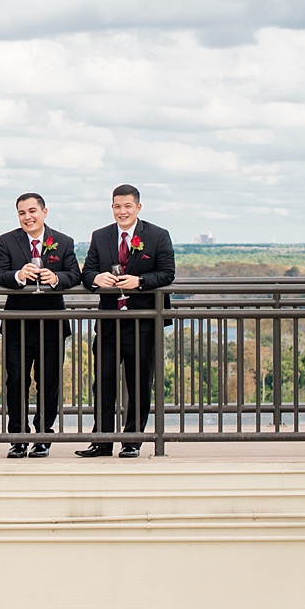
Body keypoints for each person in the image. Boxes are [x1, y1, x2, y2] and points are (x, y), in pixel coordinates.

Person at [76, 184, 176, 458]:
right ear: (112, 208)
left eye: (127, 206)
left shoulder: (157, 235)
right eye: (117, 206)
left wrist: (140, 282)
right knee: (103, 382)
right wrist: (96, 279)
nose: (122, 211)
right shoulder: (100, 236)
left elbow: (167, 274)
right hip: (109, 321)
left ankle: (133, 440)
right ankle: (102, 440)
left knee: (139, 384)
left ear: (138, 207)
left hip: (143, 322)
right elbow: (87, 273)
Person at [0, 193, 81, 457]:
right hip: (16, 323)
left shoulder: (63, 242)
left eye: (32, 211)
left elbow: (74, 274)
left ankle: (43, 434)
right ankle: (17, 437)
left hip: (51, 323)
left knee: (49, 382)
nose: (27, 217)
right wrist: (19, 276)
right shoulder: (7, 240)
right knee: (16, 381)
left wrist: (56, 278)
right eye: (21, 213)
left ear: (44, 212)